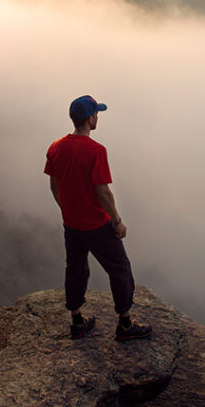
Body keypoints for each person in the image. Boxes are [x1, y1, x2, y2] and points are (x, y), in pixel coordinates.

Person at [45, 95, 151, 341]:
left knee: (75, 269)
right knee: (120, 269)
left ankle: (77, 319)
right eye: (96, 114)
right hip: (97, 225)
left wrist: (67, 209)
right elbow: (102, 190)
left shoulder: (55, 147)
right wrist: (117, 220)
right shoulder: (96, 150)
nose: (97, 118)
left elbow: (54, 185)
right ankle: (125, 324)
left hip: (72, 225)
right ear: (90, 118)